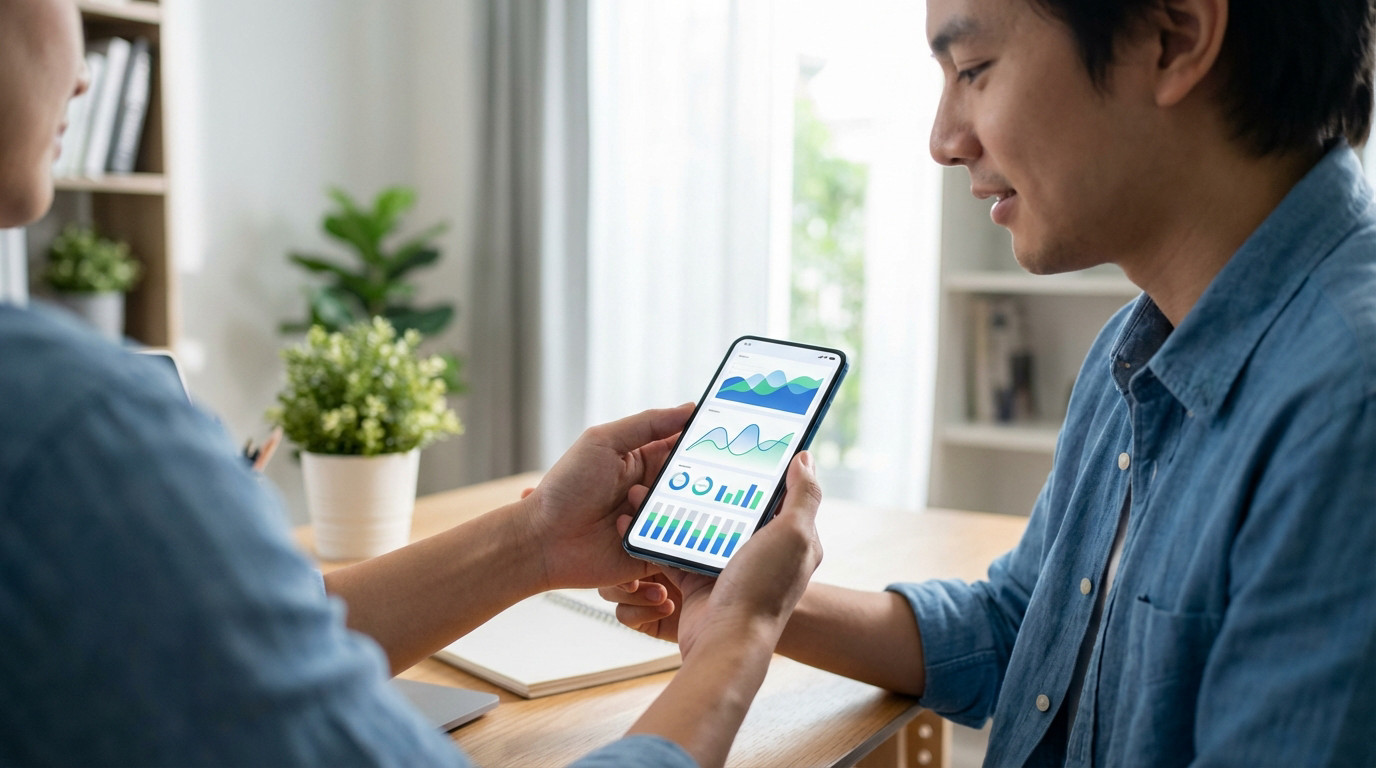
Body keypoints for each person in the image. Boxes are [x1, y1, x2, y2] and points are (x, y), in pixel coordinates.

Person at [0, 1, 825, 766]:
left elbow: (194, 652)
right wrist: (738, 635)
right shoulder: (72, 430)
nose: (81, 68)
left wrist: (535, 540)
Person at [606, 0, 1376, 765]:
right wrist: (749, 598)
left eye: (973, 70)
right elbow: (1022, 633)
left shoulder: (1347, 410)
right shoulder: (1136, 348)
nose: (943, 141)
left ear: (1173, 40)